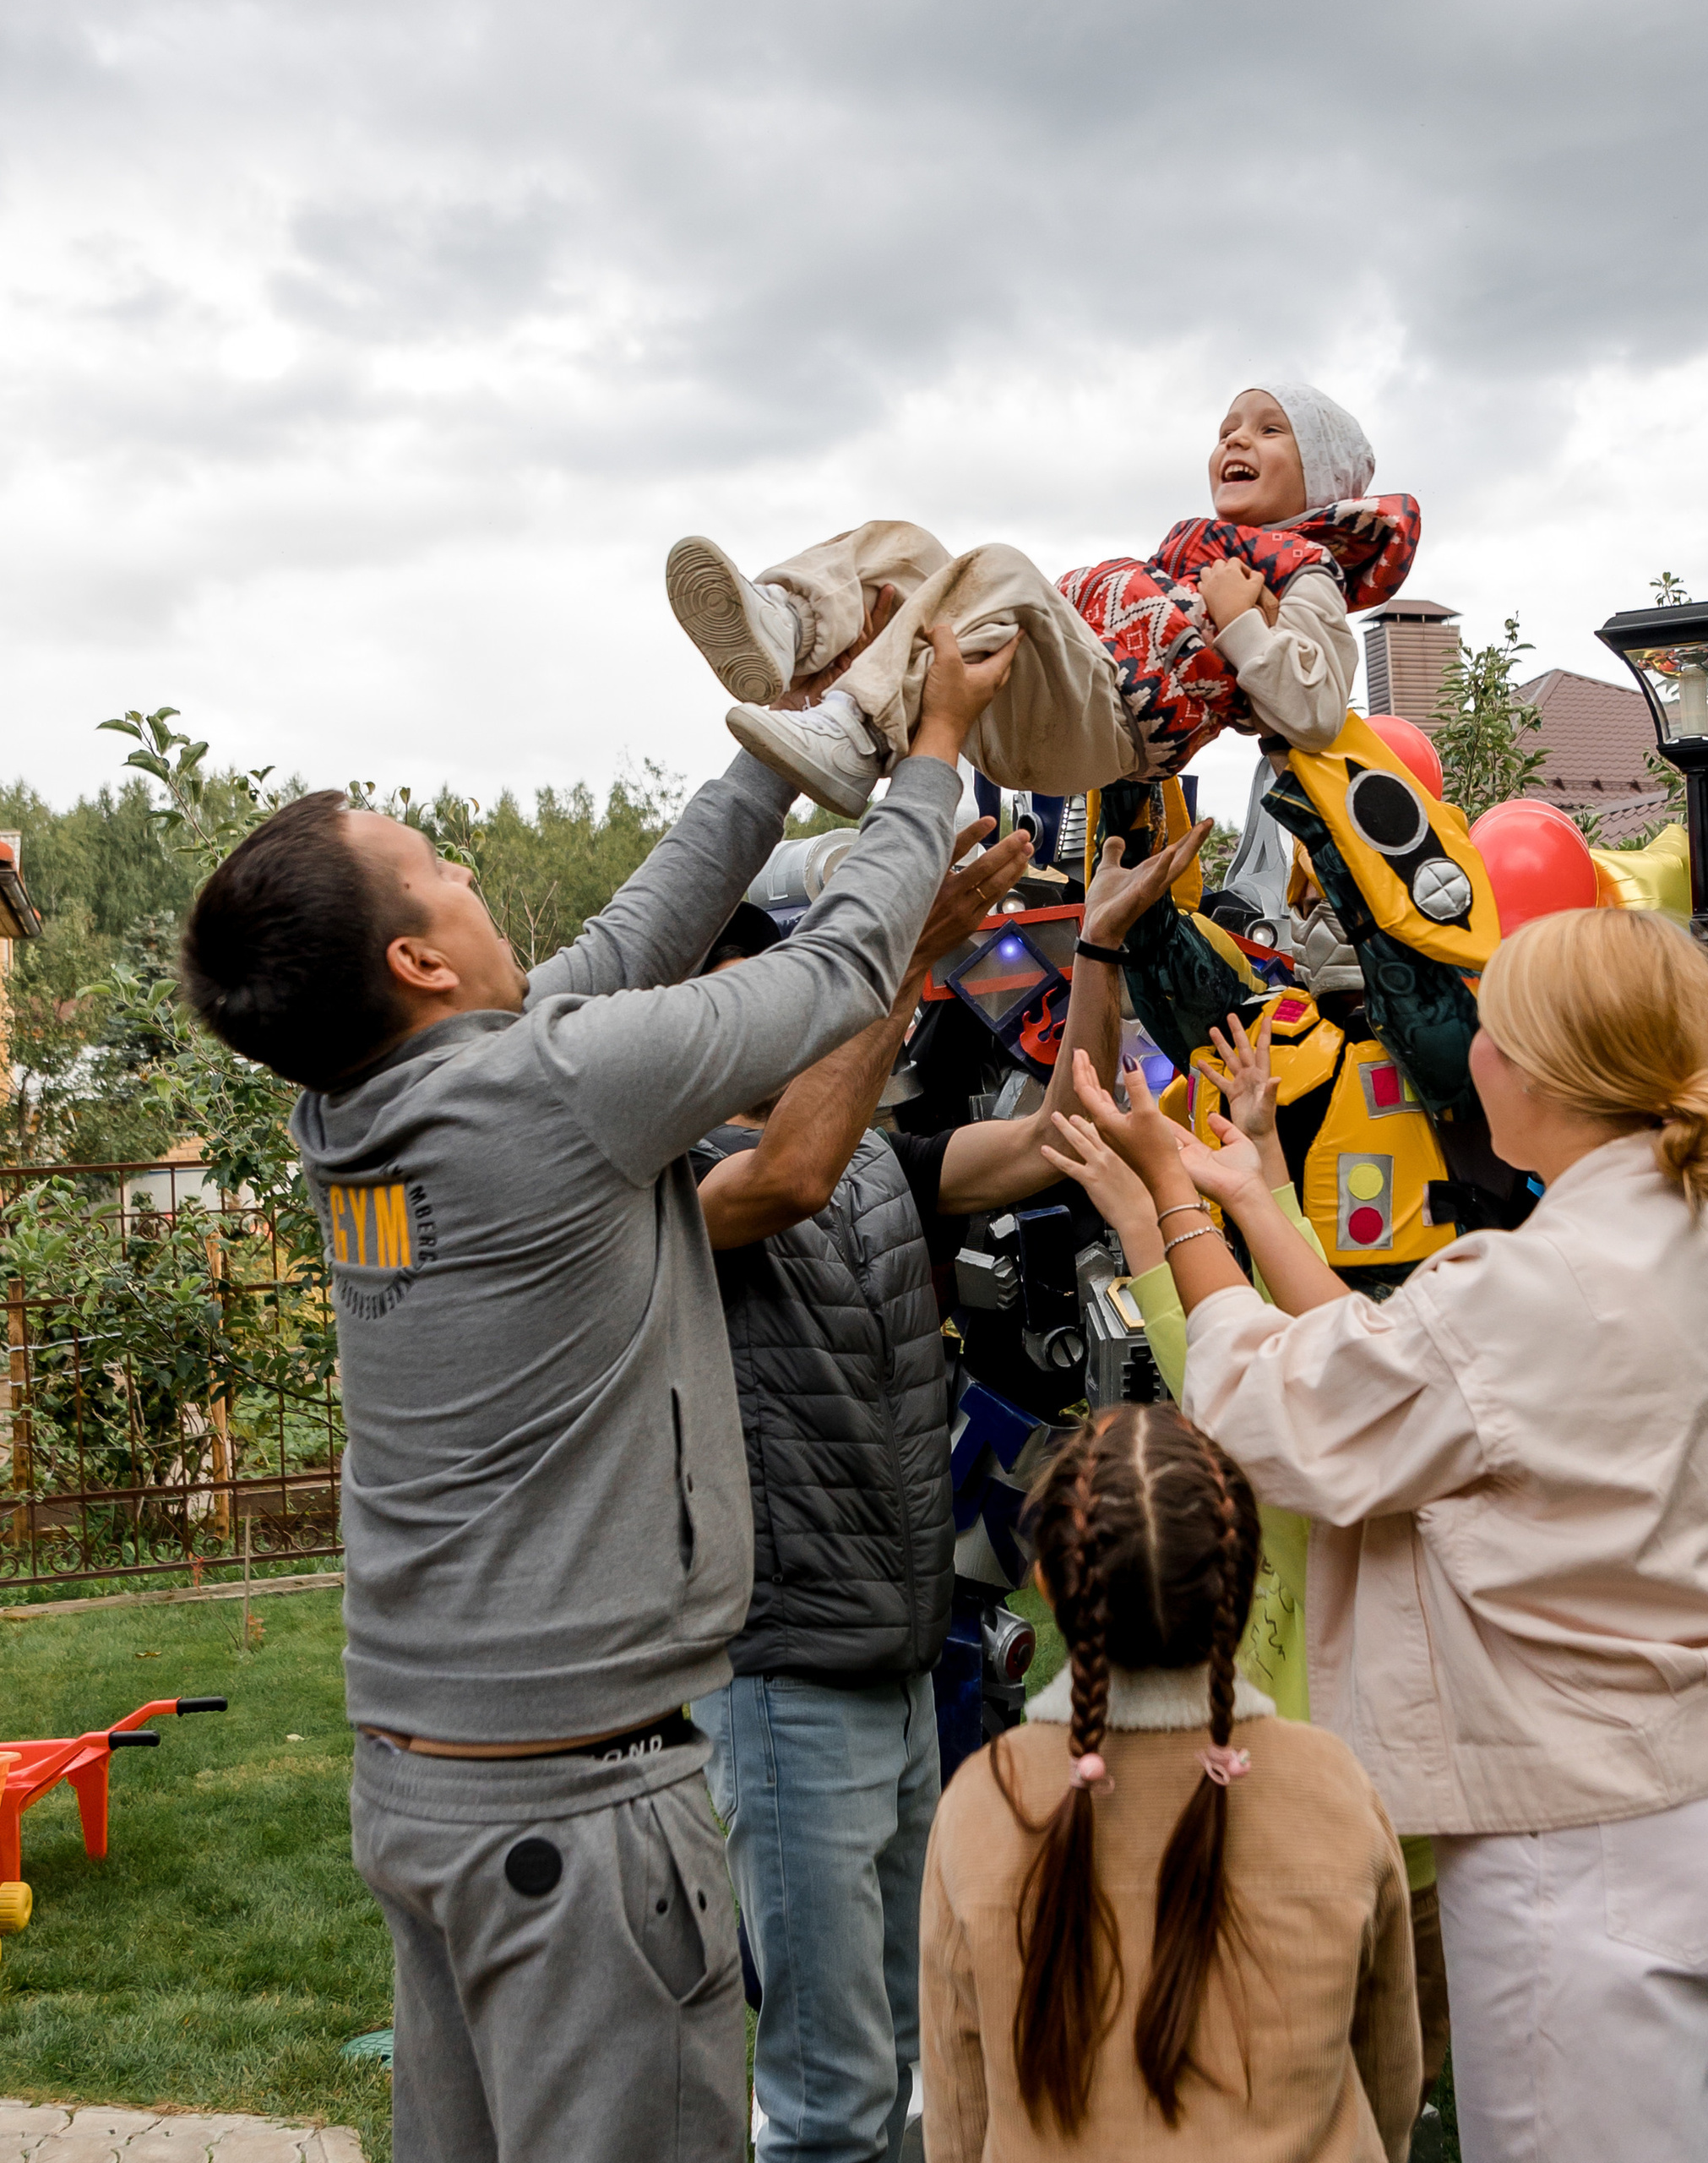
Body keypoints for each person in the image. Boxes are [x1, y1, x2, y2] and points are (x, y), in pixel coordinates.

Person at [175, 626, 1017, 2163]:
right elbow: (830, 971)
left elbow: (637, 933)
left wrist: (785, 748)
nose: (479, 880)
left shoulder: (358, 1102)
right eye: (445, 870)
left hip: (428, 1785)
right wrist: (932, 750)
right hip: (577, 1811)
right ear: (420, 963)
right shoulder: (540, 1096)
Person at [1069, 907, 1708, 2163]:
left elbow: (1278, 1411)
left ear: (1533, 1072)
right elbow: (1397, 1366)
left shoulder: (1538, 1286)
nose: (1468, 1049)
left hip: (1591, 1845)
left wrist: (1175, 1214)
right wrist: (1252, 1195)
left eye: (1490, 1030)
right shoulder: (1671, 1236)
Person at [684, 817, 1207, 2163]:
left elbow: (1053, 1136)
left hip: (906, 1663)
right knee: (825, 2087)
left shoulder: (871, 1158)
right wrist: (902, 959)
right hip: (785, 1674)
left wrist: (1094, 940)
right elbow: (786, 1177)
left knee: (932, 2049)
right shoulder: (672, 1187)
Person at [1041, 1017, 1454, 2107]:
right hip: (1405, 1830)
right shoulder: (1370, 1430)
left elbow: (1223, 1332)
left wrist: (1148, 1201)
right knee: (1387, 2077)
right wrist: (1245, 1164)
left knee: (1320, 2077)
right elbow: (1283, 1318)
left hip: (1323, 1828)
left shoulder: (1281, 1456)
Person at [919, 1403, 1422, 2162]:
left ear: (1050, 1583)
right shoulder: (1334, 1787)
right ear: (1247, 1576)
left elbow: (957, 2121)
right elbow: (1390, 2083)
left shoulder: (984, 1803)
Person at [665, 382, 1418, 815]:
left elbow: (1319, 714)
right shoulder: (1195, 549)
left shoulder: (1305, 569)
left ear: (1318, 473)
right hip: (1042, 687)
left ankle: (852, 733)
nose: (1235, 442)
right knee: (908, 548)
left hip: (1106, 726)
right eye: (1226, 431)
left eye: (1268, 429)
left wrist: (1244, 622)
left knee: (999, 567)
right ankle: (789, 630)